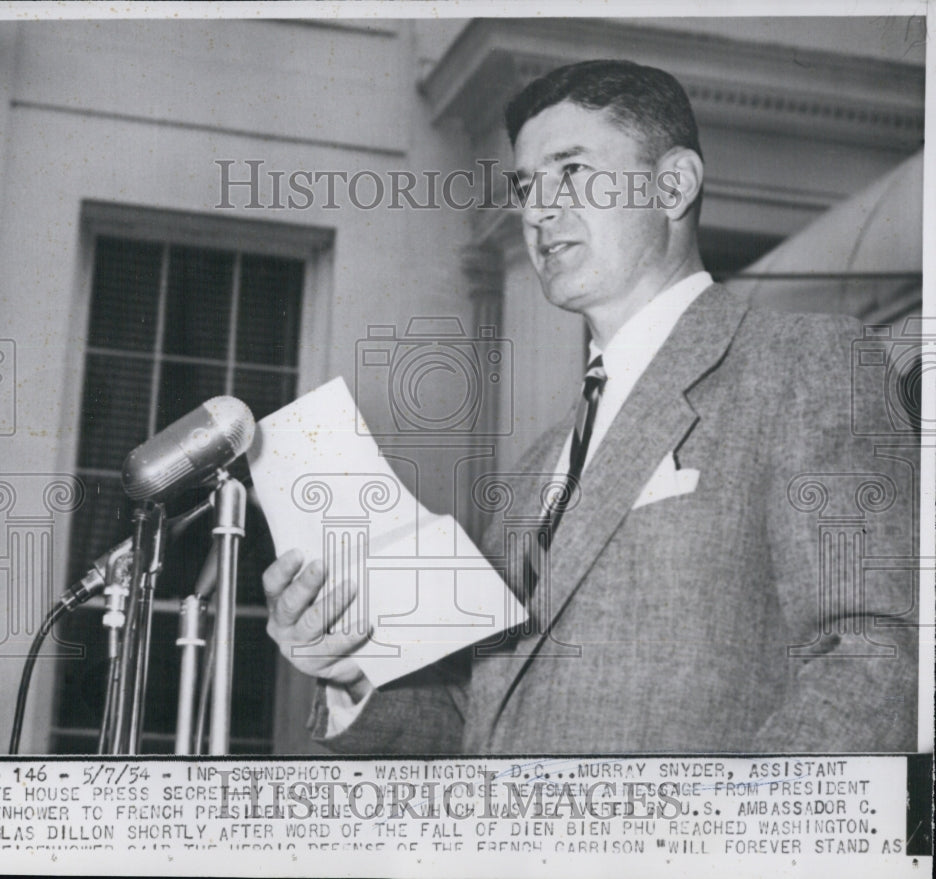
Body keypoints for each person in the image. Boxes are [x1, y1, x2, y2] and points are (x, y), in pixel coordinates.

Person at [261, 60, 918, 754]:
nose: (538, 209)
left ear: (673, 185)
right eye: (526, 185)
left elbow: (873, 655)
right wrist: (353, 667)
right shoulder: (530, 474)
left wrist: (728, 846)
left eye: (571, 171)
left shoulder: (805, 365)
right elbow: (475, 713)